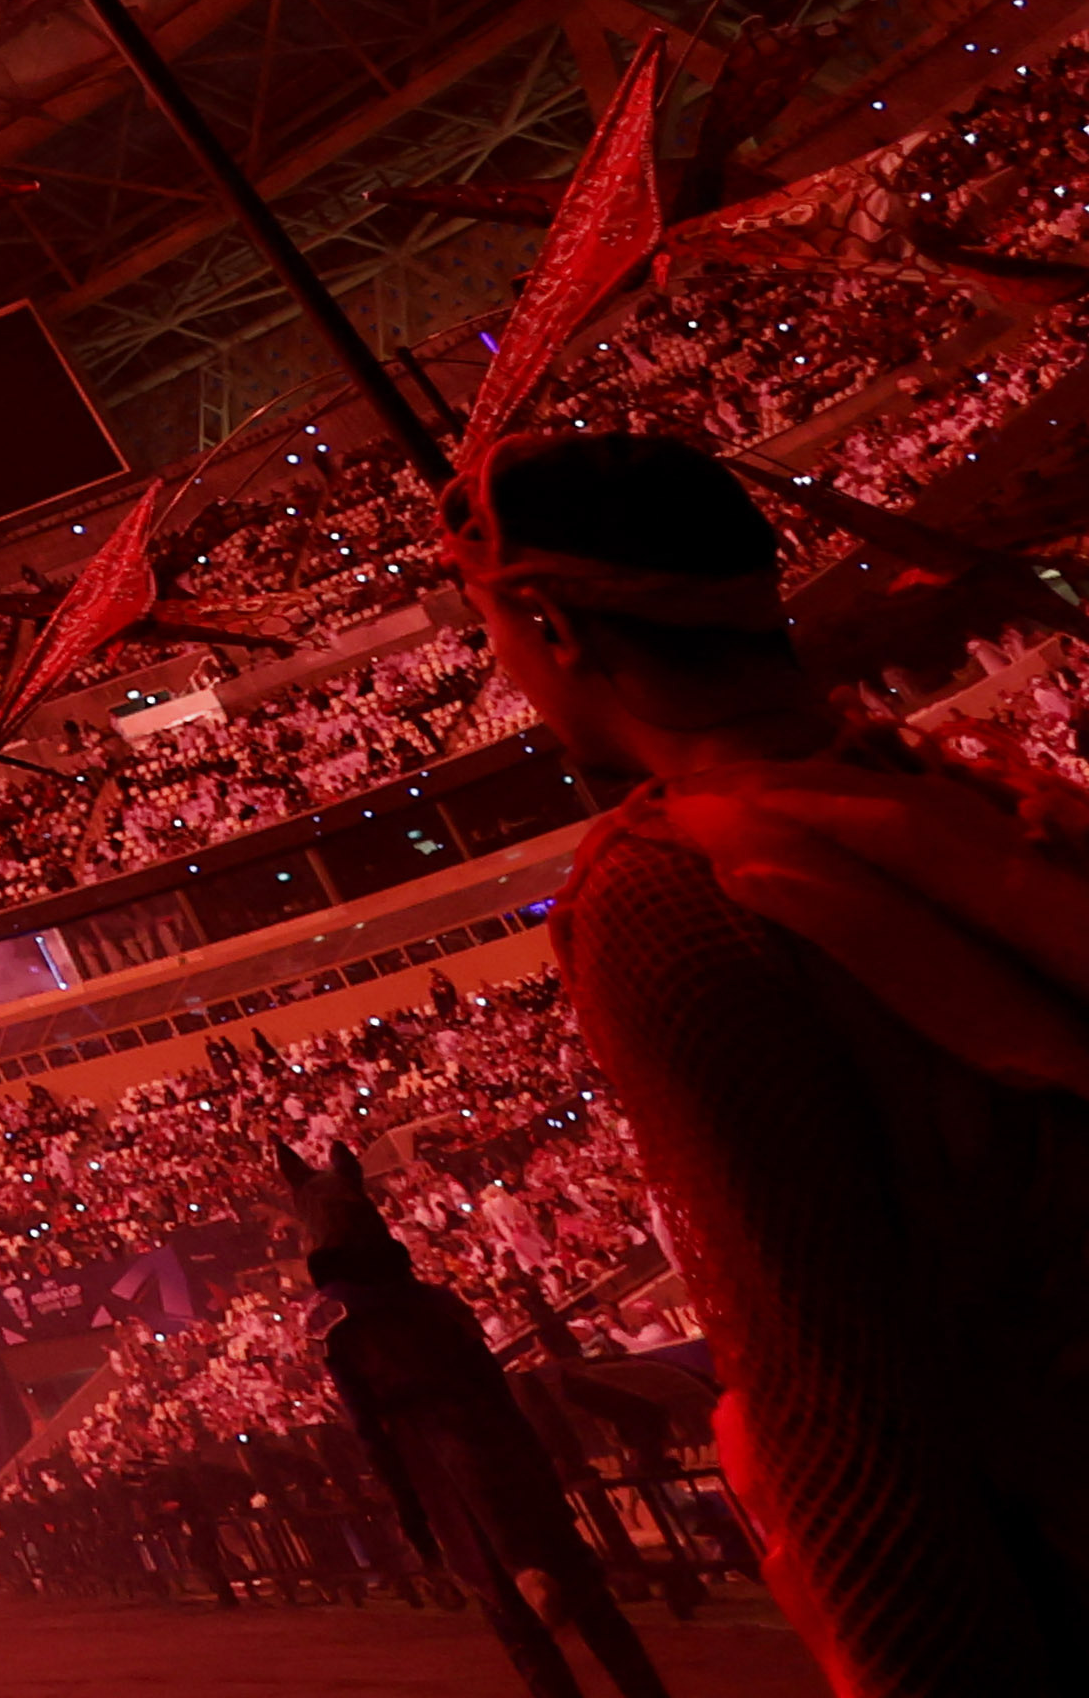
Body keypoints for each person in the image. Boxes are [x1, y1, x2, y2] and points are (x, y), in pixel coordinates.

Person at [461, 426, 1089, 1694]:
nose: (506, 673)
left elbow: (828, 1374)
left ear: (556, 625)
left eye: (495, 635)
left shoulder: (679, 892)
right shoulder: (953, 797)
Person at [284, 1152, 672, 1698]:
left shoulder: (337, 1324)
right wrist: (538, 1462)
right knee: (596, 1610)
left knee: (521, 1632)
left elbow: (370, 1429)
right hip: (504, 1448)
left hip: (439, 1475)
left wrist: (410, 1512)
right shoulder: (437, 1303)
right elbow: (494, 1388)